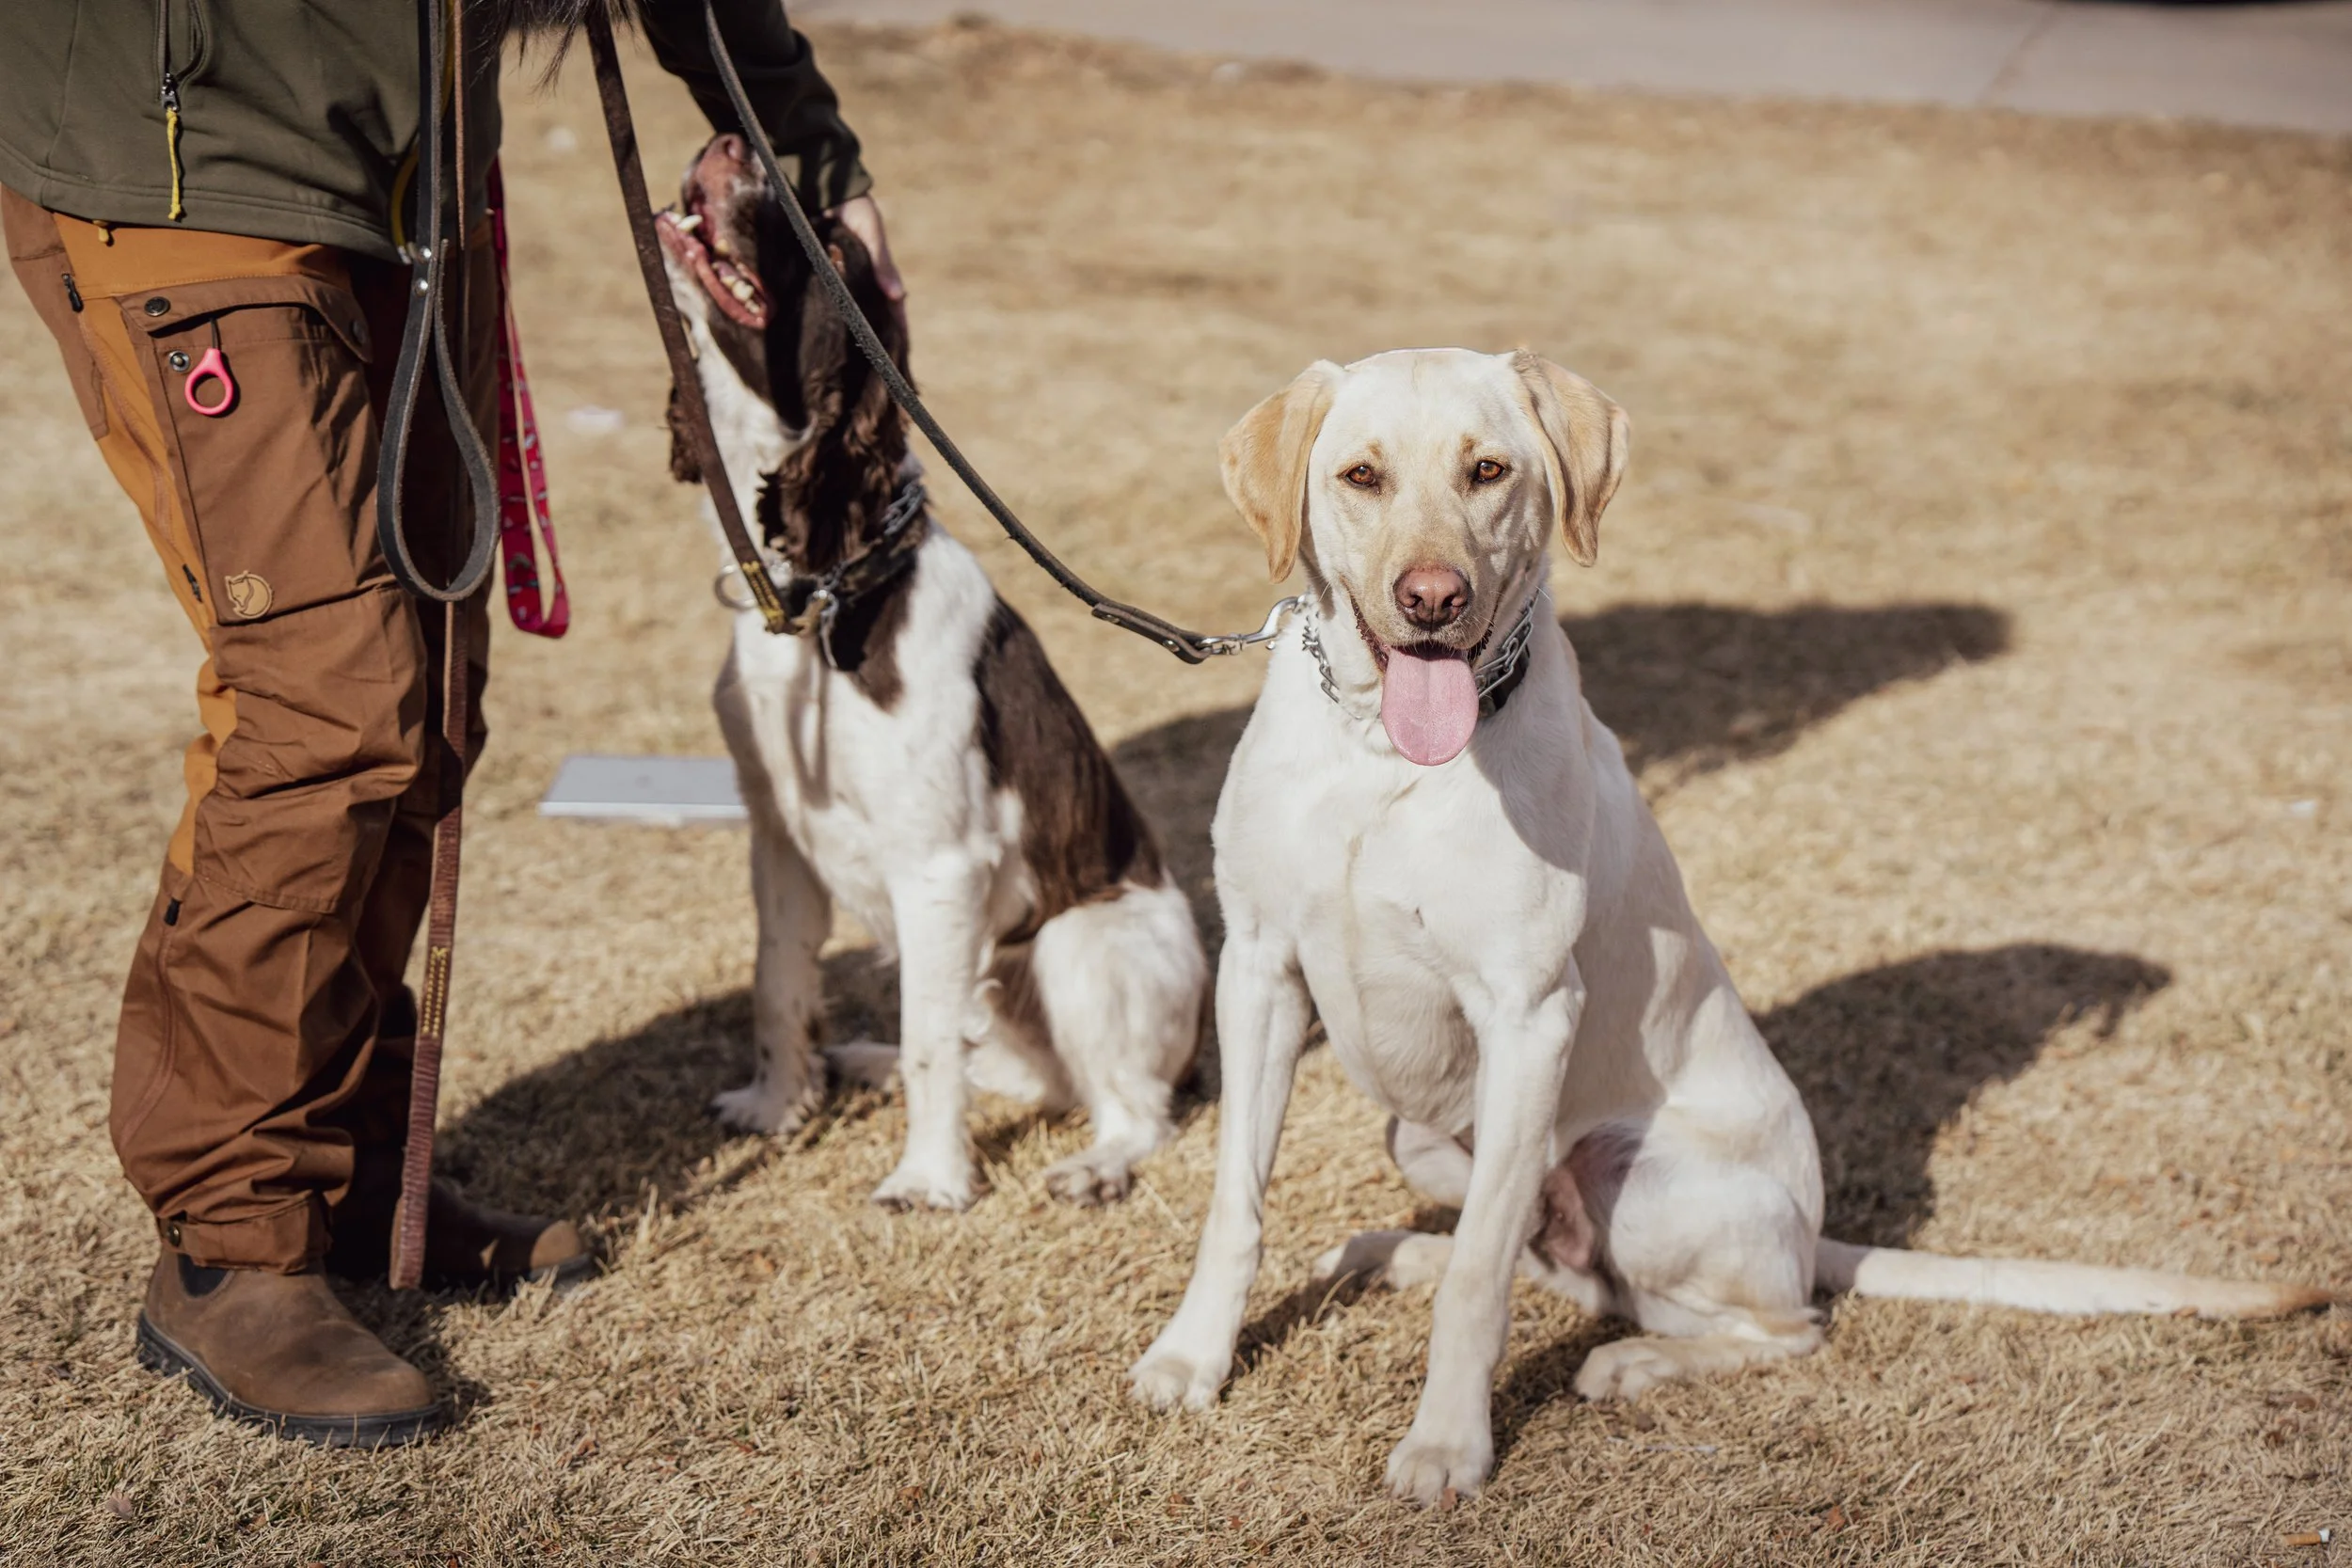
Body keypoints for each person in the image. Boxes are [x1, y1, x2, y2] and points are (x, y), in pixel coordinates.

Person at [0, 0, 897, 1448]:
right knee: (326, 701)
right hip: (190, 155)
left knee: (429, 686)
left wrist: (808, 149)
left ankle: (346, 1159)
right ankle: (232, 1236)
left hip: (419, 174)